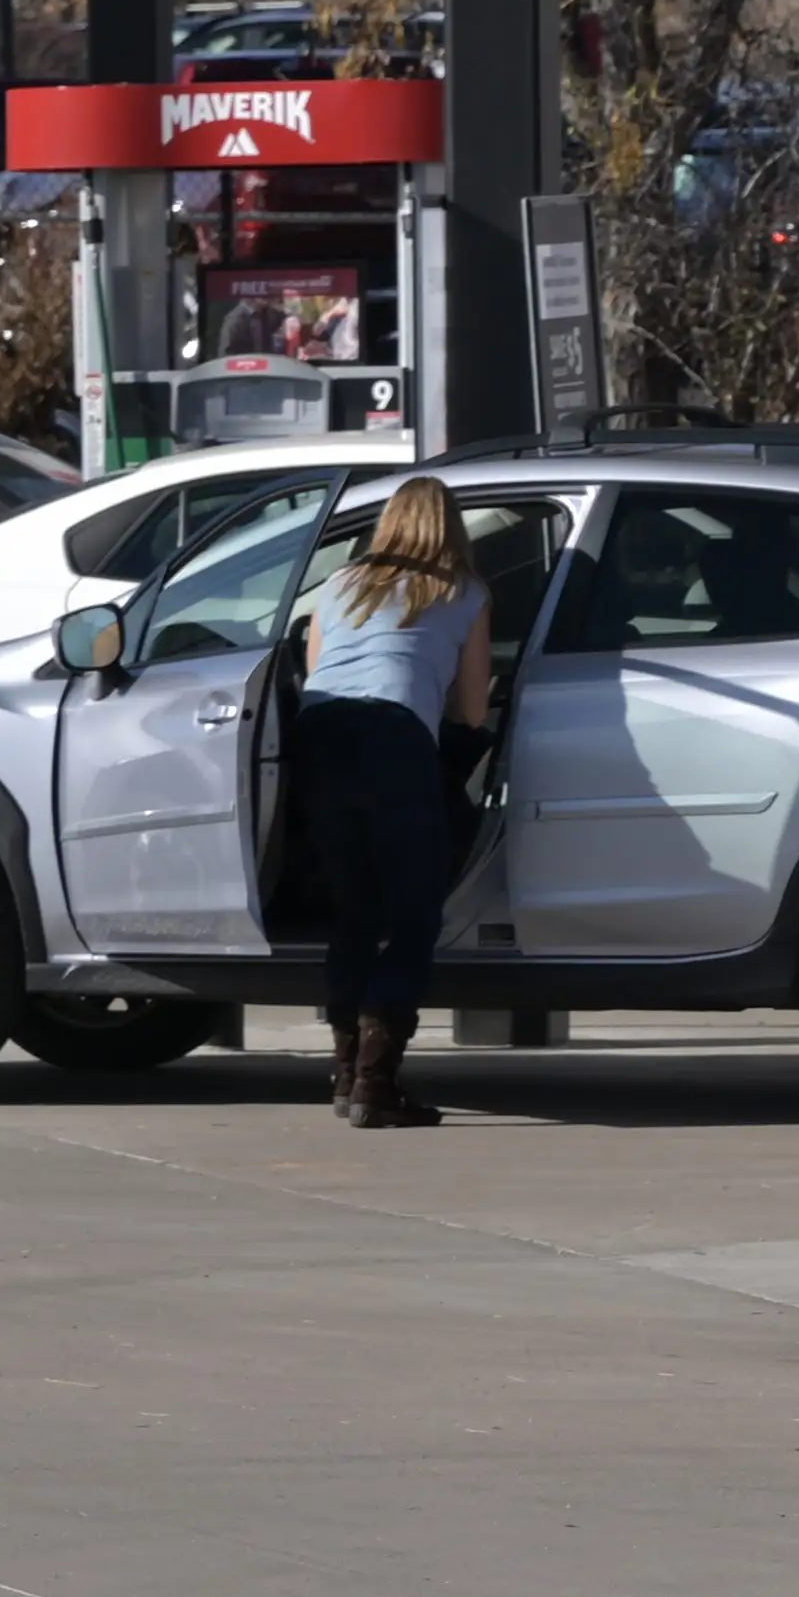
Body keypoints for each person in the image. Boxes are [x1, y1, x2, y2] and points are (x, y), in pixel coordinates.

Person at [292, 475, 492, 1130]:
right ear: (451, 528)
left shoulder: (339, 584)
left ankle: (346, 1073)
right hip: (394, 743)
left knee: (352, 916)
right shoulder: (462, 590)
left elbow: (318, 671)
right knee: (411, 919)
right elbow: (469, 708)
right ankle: (377, 1085)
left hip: (321, 738)